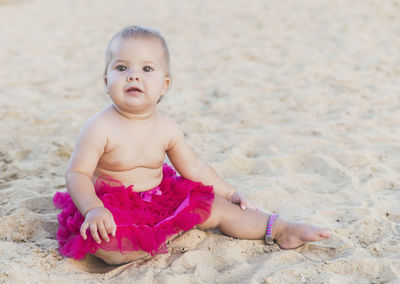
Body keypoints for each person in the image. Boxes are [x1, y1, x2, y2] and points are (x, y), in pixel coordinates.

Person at [53, 26, 331, 265]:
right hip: (111, 205)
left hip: (159, 197)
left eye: (147, 68)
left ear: (164, 85)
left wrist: (230, 192)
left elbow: (194, 167)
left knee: (217, 207)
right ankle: (160, 231)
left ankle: (281, 229)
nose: (133, 75)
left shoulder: (167, 127)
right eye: (121, 67)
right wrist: (93, 208)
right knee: (107, 244)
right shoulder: (99, 127)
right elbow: (77, 173)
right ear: (106, 81)